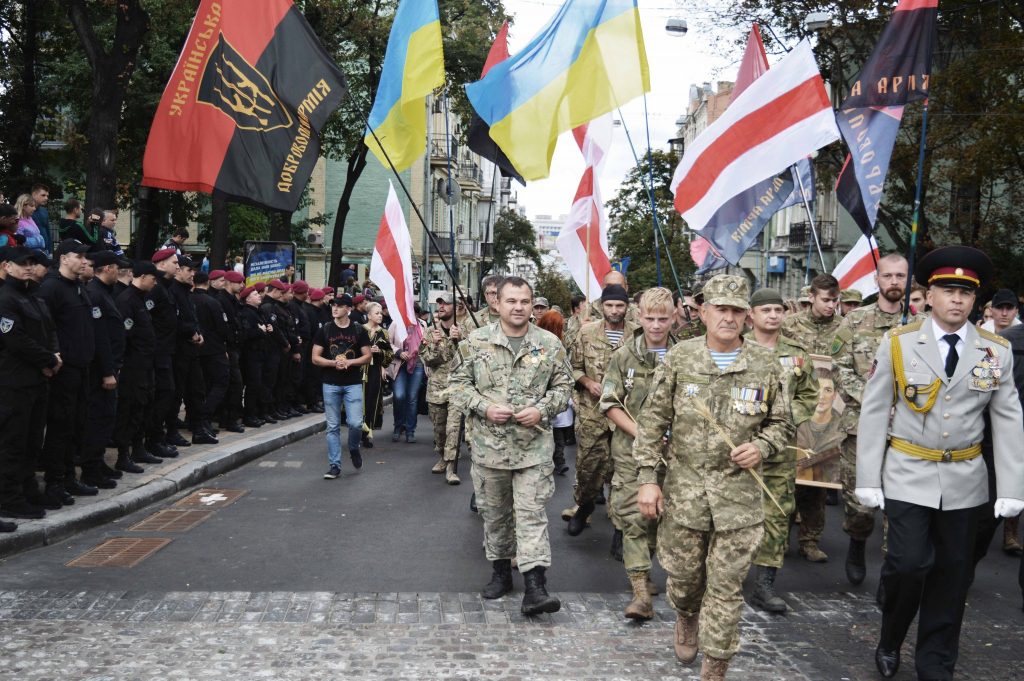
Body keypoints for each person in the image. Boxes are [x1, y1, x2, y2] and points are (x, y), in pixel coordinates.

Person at [856, 245, 1024, 680]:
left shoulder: (995, 351)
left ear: (975, 301)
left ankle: (935, 662)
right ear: (928, 295)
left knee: (953, 577)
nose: (957, 300)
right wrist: (868, 477)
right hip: (908, 471)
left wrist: (1010, 488)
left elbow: (1007, 418)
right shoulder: (899, 342)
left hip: (966, 478)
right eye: (948, 291)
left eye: (966, 293)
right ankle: (891, 635)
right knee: (908, 565)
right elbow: (874, 411)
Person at [633, 274, 793, 680]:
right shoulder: (680, 359)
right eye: (721, 308)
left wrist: (763, 446)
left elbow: (783, 424)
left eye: (737, 310)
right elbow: (652, 424)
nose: (729, 317)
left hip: (739, 497)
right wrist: (648, 479)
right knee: (685, 580)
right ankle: (687, 616)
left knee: (726, 587)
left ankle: (716, 665)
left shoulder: (766, 363)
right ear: (702, 312)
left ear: (748, 316)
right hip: (685, 492)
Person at [449, 276, 572, 615]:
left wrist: (542, 409)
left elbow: (564, 387)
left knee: (532, 515)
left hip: (534, 449)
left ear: (532, 305)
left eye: (524, 301)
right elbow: (456, 386)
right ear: (498, 304)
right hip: (490, 449)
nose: (518, 307)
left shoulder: (549, 344)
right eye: (511, 301)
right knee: (495, 515)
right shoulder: (475, 343)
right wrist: (484, 406)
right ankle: (501, 571)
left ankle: (536, 586)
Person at [831, 254, 915, 586]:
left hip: (907, 429)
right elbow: (838, 369)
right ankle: (856, 542)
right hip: (861, 427)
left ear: (908, 281)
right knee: (861, 505)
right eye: (888, 276)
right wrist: (875, 401)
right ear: (877, 280)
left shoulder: (920, 325)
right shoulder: (854, 322)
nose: (894, 282)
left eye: (900, 276)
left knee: (900, 505)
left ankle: (891, 575)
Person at [599, 287, 677, 620]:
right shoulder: (623, 356)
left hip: (676, 455)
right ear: (638, 317)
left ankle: (655, 569)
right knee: (634, 518)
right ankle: (640, 591)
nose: (656, 325)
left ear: (674, 318)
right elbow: (609, 403)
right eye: (650, 318)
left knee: (665, 517)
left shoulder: (685, 356)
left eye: (663, 319)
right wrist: (644, 434)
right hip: (631, 451)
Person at [745, 287, 819, 614]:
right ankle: (720, 577)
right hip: (740, 446)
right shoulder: (736, 348)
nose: (773, 315)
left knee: (776, 514)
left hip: (780, 448)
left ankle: (764, 585)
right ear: (752, 315)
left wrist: (787, 419)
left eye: (778, 310)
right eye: (766, 310)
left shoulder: (797, 354)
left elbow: (809, 394)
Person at [567, 284, 638, 557]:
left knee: (622, 474)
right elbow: (572, 367)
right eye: (610, 305)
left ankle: (620, 531)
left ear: (627, 307)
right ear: (602, 306)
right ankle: (584, 506)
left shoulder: (637, 335)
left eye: (620, 306)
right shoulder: (586, 333)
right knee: (589, 468)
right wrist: (586, 381)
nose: (615, 311)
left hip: (626, 414)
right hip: (592, 413)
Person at [781, 273, 842, 563]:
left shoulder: (844, 328)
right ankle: (779, 539)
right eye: (826, 300)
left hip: (827, 412)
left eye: (835, 300)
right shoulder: (790, 326)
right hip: (792, 406)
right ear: (812, 297)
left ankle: (810, 539)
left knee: (817, 480)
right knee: (786, 477)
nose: (831, 305)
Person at [0, 247, 61, 528]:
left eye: (31, 263)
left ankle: (27, 490)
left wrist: (53, 356)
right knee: (13, 442)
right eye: (22, 263)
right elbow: (16, 340)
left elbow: (48, 332)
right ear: (6, 266)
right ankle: (10, 499)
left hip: (37, 379)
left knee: (32, 441)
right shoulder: (6, 297)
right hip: (13, 382)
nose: (28, 267)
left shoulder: (32, 296)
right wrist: (47, 359)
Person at [36, 239, 97, 505]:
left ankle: (70, 477)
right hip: (63, 369)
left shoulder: (79, 288)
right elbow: (44, 327)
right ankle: (54, 482)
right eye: (79, 256)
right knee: (60, 427)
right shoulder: (51, 287)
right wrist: (52, 356)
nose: (84, 261)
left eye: (86, 257)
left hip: (82, 367)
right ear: (63, 258)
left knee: (76, 424)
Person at [80, 250, 129, 489]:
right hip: (101, 371)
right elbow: (100, 338)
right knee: (98, 419)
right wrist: (108, 371)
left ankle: (97, 463)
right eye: (116, 267)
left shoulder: (104, 293)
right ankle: (91, 469)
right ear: (108, 268)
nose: (118, 272)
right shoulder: (95, 294)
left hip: (111, 367)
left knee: (107, 418)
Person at [313, 294, 371, 479]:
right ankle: (334, 465)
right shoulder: (326, 329)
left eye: (339, 306)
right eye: (333, 305)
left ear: (349, 309)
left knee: (355, 423)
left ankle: (354, 447)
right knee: (332, 427)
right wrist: (333, 363)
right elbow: (315, 357)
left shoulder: (358, 330)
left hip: (352, 383)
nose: (335, 308)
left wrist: (350, 362)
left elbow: (367, 356)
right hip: (330, 383)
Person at [113, 261, 160, 473]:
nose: (155, 282)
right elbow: (124, 336)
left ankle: (138, 448)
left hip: (146, 365)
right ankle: (123, 455)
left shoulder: (141, 299)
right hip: (132, 367)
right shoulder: (127, 300)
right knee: (129, 410)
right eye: (153, 278)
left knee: (143, 407)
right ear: (141, 276)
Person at [420, 292, 463, 484]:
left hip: (458, 387)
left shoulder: (464, 330)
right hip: (437, 388)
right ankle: (442, 456)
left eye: (446, 303)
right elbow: (428, 360)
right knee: (439, 429)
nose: (441, 307)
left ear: (456, 307)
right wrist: (436, 345)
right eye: (439, 304)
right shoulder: (430, 332)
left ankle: (451, 467)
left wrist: (459, 340)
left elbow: (471, 359)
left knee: (453, 428)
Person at [536, 310, 573, 475]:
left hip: (557, 394)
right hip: (543, 395)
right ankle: (549, 461)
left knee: (558, 433)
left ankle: (559, 460)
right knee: (546, 432)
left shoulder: (562, 345)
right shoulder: (539, 346)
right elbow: (534, 368)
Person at [389, 310, 427, 443]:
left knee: (412, 398)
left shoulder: (422, 325)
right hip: (400, 364)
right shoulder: (396, 324)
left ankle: (410, 430)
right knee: (399, 395)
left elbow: (426, 344)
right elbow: (388, 342)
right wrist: (398, 352)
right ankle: (398, 426)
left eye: (414, 314)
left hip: (417, 364)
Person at [237, 285, 271, 427]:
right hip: (250, 355)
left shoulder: (257, 312)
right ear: (248, 299)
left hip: (260, 353)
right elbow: (246, 334)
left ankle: (255, 412)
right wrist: (260, 331)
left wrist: (267, 329)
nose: (259, 296)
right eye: (256, 294)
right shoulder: (246, 313)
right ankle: (249, 416)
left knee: (258, 385)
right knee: (252, 385)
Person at [361, 301, 393, 448]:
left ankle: (367, 432)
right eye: (376, 313)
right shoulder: (359, 329)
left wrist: (379, 352)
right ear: (369, 315)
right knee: (359, 400)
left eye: (381, 313)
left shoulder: (383, 333)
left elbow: (389, 354)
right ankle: (357, 429)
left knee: (372, 400)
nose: (380, 316)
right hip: (360, 370)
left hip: (374, 371)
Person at [30, 184, 52, 254]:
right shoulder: (24, 211)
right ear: (34, 194)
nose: (46, 198)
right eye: (43, 195)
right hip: (31, 252)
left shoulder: (44, 211)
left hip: (45, 251)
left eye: (47, 196)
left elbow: (48, 231)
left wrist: (50, 251)